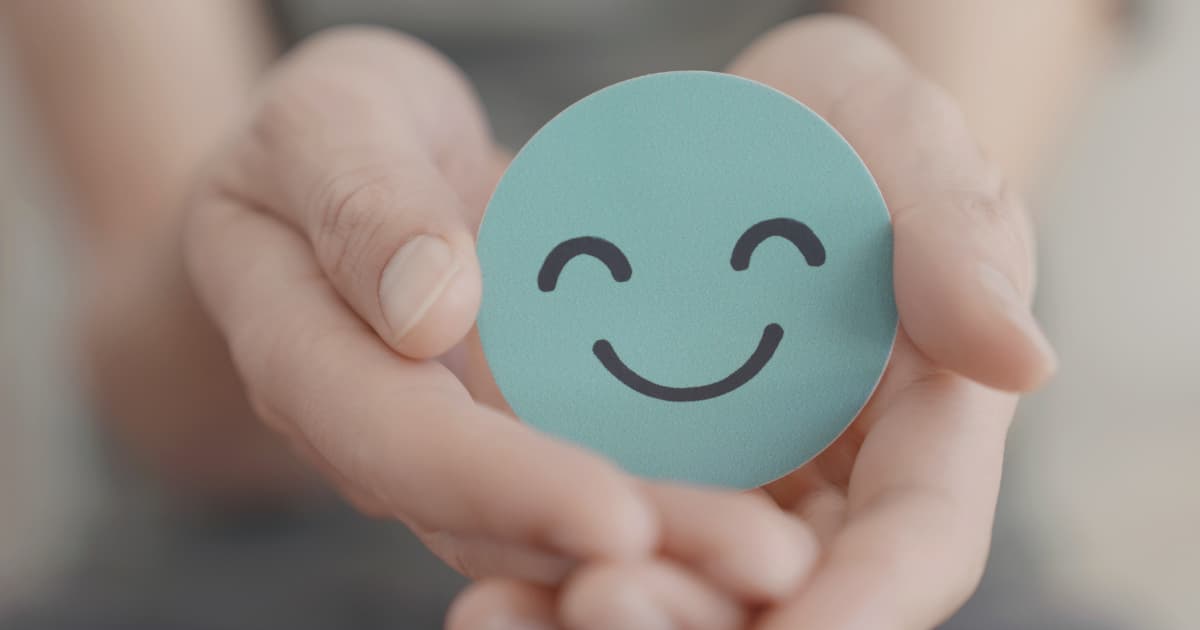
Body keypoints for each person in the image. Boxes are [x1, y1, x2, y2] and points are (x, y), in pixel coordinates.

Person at [0, 1, 1121, 628]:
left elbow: (891, 274)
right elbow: (162, 389)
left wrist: (904, 176)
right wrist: (261, 234)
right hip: (224, 584)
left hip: (873, 533)